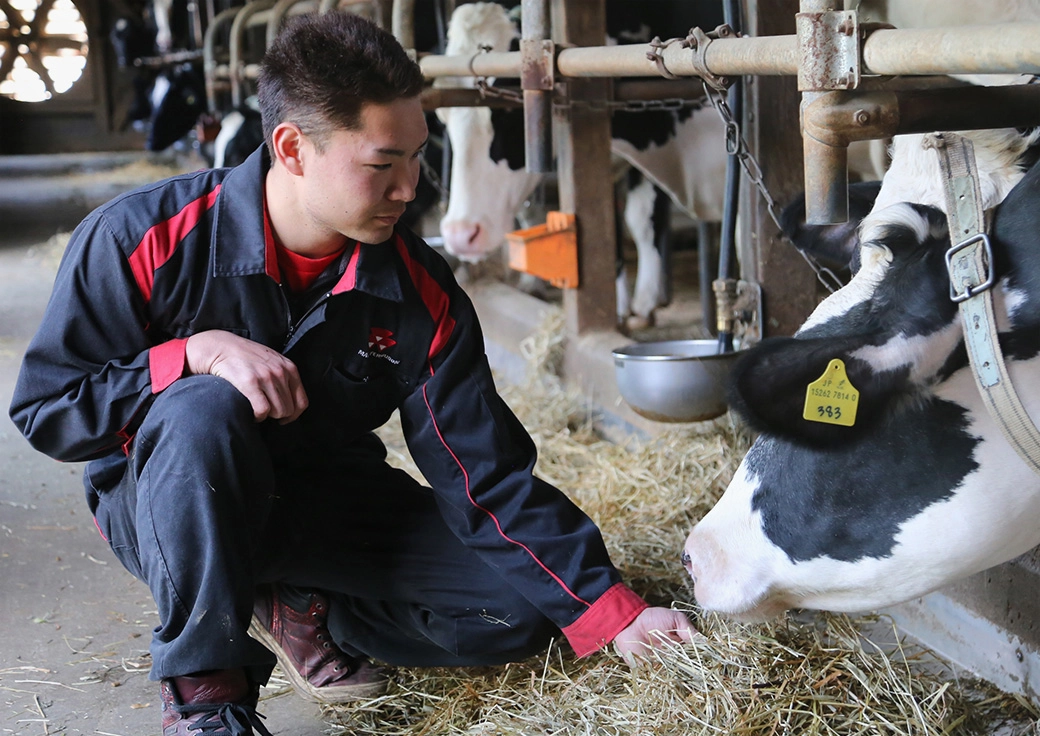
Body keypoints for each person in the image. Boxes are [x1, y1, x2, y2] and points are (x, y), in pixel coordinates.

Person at [9, 11, 696, 736]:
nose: (410, 188)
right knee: (201, 410)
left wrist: (613, 613)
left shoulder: (417, 289)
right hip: (171, 507)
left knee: (520, 611)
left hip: (324, 503)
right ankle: (207, 697)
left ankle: (308, 605)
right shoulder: (142, 237)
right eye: (381, 165)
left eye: (417, 158)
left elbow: (484, 475)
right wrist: (192, 355)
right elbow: (51, 407)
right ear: (292, 148)